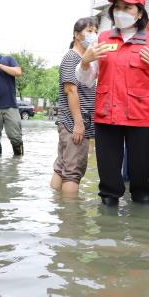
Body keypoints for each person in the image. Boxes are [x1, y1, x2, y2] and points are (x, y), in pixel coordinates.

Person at [77, 0, 149, 206]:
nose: (120, 12)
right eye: (117, 7)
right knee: (108, 179)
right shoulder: (102, 38)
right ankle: (108, 223)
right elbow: (86, 79)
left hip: (140, 117)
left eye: (127, 7)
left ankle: (140, 221)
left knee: (141, 176)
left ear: (140, 13)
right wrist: (85, 61)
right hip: (107, 116)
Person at [51, 17, 98, 196]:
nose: (93, 35)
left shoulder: (82, 59)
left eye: (95, 30)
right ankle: (71, 218)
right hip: (74, 123)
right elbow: (70, 90)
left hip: (69, 123)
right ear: (77, 35)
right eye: (89, 31)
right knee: (73, 173)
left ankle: (57, 205)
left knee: (61, 167)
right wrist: (79, 124)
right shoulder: (73, 58)